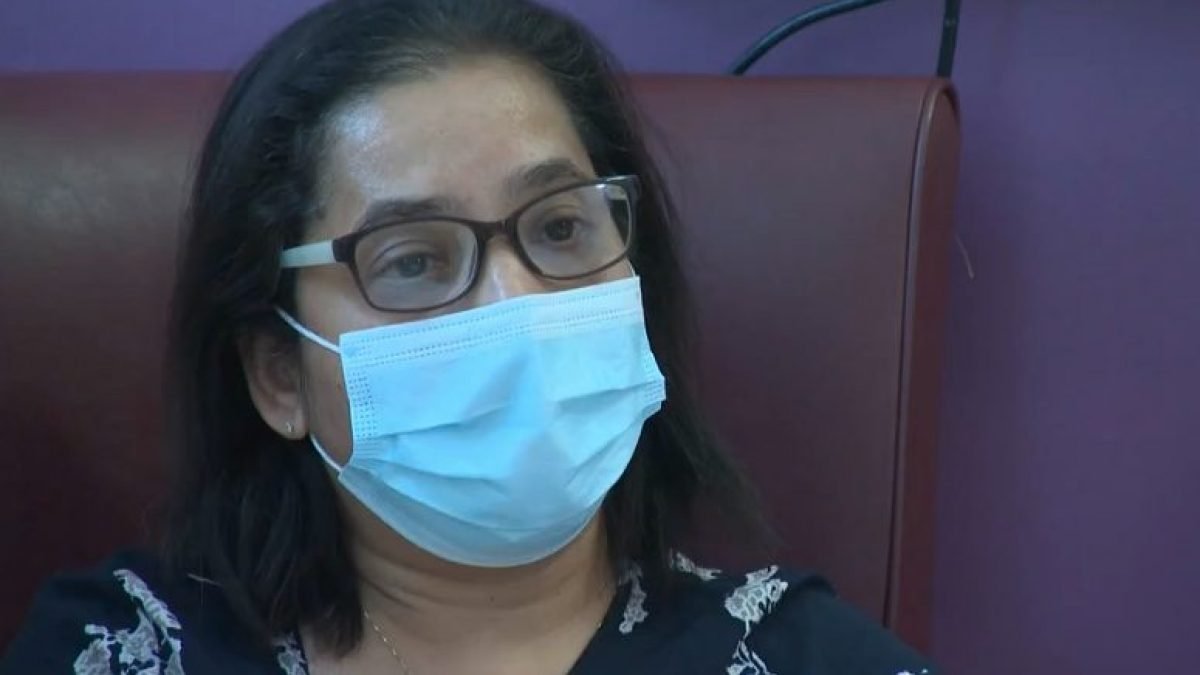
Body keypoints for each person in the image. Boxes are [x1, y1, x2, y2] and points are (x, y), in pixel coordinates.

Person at [2, 0, 938, 673]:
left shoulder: (810, 657)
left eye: (561, 228)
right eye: (412, 259)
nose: (513, 303)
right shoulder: (121, 649)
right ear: (281, 372)